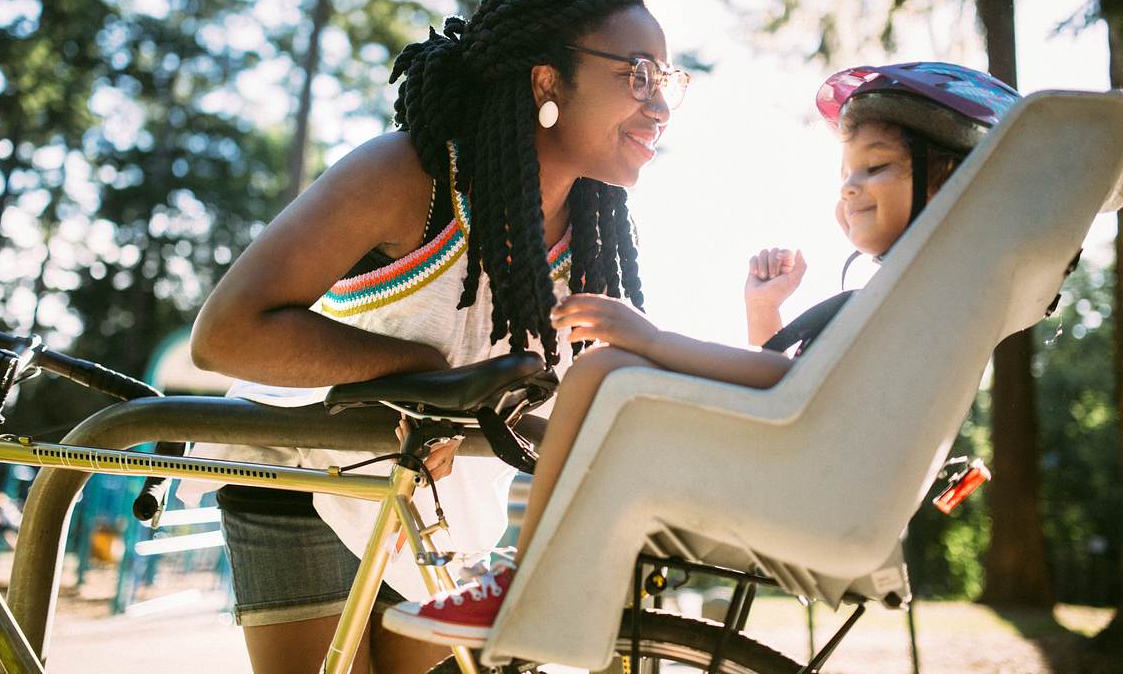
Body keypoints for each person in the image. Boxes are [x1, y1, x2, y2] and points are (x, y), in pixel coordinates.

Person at [380, 61, 1021, 648]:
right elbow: (793, 392)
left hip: (817, 489)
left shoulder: (912, 298)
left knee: (605, 368)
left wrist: (652, 339)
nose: (851, 189)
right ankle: (548, 582)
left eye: (876, 167)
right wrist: (764, 312)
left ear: (950, 180)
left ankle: (532, 584)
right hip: (814, 478)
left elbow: (804, 383)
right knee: (609, 375)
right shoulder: (917, 292)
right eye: (845, 174)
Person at [185, 0, 690, 674]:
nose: (660, 103)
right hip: (307, 468)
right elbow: (226, 333)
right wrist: (415, 375)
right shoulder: (407, 178)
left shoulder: (595, 237)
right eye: (636, 74)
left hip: (436, 505)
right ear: (546, 80)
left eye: (667, 79)